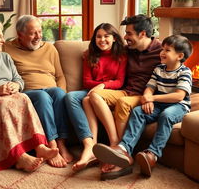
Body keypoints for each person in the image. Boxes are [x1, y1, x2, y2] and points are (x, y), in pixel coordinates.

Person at [0, 15, 73, 168]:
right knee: (7, 104)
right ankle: (20, 157)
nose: (3, 40)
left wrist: (16, 85)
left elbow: (18, 80)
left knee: (24, 98)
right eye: (0, 36)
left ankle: (40, 147)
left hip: (8, 96)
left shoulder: (5, 57)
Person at [93, 34, 192, 179]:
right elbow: (150, 87)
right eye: (162, 49)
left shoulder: (184, 72)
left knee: (167, 115)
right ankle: (123, 149)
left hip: (178, 106)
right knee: (139, 111)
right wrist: (147, 98)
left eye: (167, 50)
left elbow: (179, 96)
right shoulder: (159, 69)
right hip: (159, 103)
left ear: (180, 56)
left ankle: (152, 155)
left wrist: (152, 97)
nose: (162, 52)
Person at [89, 14, 162, 179]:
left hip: (144, 96)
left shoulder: (161, 51)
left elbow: (174, 72)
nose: (125, 37)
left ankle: (123, 154)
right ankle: (117, 148)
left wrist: (153, 98)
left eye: (129, 33)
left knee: (122, 103)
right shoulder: (128, 50)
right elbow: (105, 51)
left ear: (142, 34)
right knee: (93, 95)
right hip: (126, 91)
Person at [65, 23, 127, 171]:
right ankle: (90, 144)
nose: (102, 40)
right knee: (70, 97)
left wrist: (103, 86)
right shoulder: (89, 55)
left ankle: (104, 144)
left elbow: (120, 81)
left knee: (87, 99)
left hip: (111, 92)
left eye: (106, 36)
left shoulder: (122, 55)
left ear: (114, 38)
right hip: (91, 90)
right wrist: (101, 85)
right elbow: (87, 81)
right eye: (99, 36)